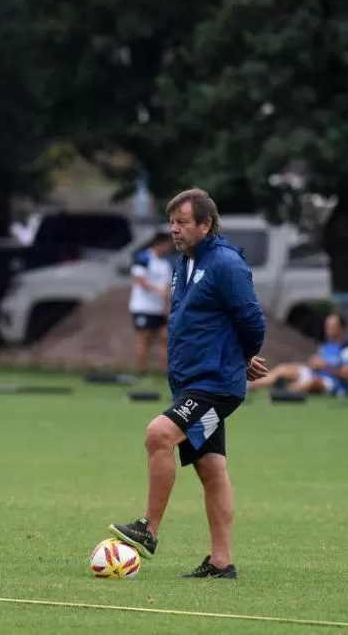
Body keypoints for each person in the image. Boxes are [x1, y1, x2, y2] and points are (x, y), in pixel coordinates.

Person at [108, 188, 267, 580]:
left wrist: (243, 358)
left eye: (182, 223)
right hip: (191, 382)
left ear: (205, 225)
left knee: (159, 435)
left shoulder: (226, 264)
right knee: (211, 468)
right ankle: (221, 562)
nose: (174, 230)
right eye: (172, 223)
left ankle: (148, 529)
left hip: (215, 386)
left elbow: (252, 320)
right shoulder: (185, 262)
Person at [247, 314, 348, 396]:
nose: (328, 328)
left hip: (334, 383)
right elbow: (317, 365)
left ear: (341, 329)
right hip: (316, 374)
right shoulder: (325, 346)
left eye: (332, 326)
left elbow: (346, 374)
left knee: (312, 383)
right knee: (284, 369)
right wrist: (313, 364)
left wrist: (324, 366)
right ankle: (248, 387)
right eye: (327, 325)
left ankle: (284, 393)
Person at [129, 233, 174, 375]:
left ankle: (166, 372)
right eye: (167, 244)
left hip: (158, 309)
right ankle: (141, 372)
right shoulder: (144, 258)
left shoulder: (166, 264)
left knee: (166, 337)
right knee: (145, 340)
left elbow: (167, 285)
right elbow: (140, 279)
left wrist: (167, 300)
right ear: (159, 243)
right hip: (143, 307)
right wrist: (158, 290)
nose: (169, 248)